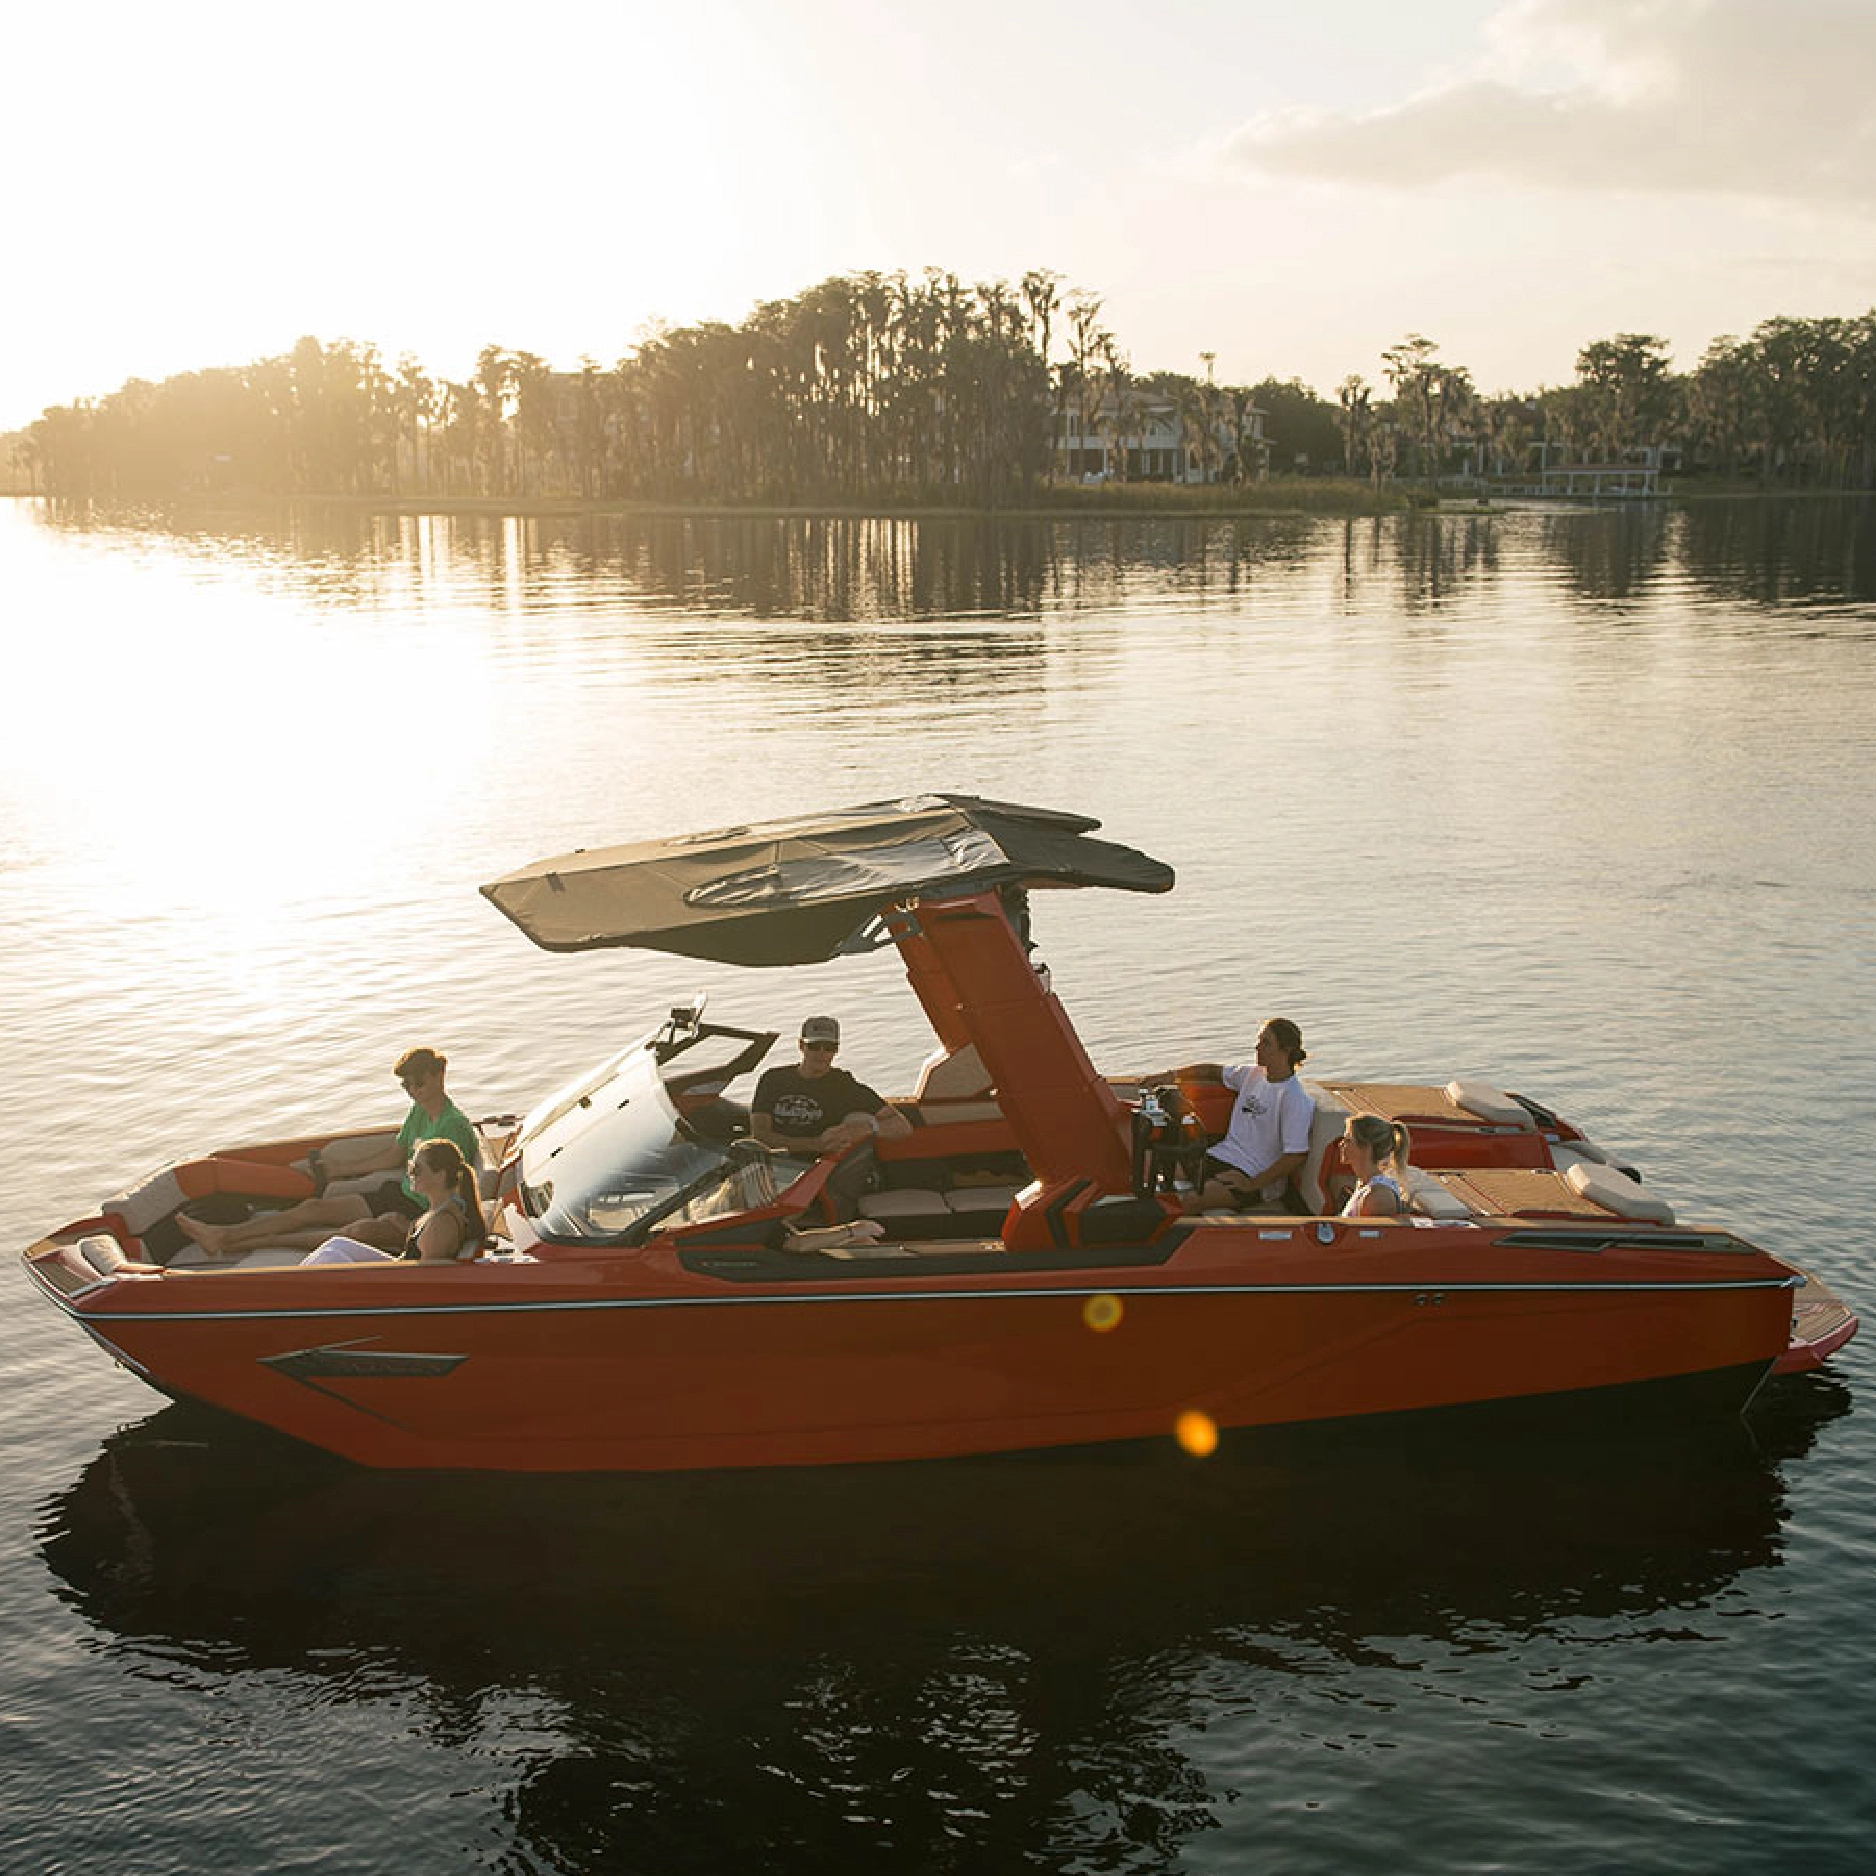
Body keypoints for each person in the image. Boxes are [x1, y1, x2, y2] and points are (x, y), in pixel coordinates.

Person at [176, 1045, 480, 1259]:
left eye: (418, 1082)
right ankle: (225, 1234)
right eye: (406, 1086)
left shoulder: (454, 1128)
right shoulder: (419, 1112)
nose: (413, 1090)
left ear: (440, 1074)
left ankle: (230, 1243)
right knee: (312, 1209)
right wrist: (337, 1169)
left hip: (419, 1210)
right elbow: (392, 1156)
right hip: (398, 1195)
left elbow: (453, 1190)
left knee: (345, 1232)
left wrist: (417, 1222)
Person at [1159, 1018, 1315, 1214]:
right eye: (1259, 1040)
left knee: (1189, 1201)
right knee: (1154, 1166)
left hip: (1253, 1174)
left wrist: (1251, 1184)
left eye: (1266, 1043)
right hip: (1220, 1156)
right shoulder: (1252, 1075)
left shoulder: (1293, 1098)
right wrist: (1170, 1076)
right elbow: (1211, 1071)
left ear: (1286, 1050)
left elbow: (1296, 1156)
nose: (1257, 1047)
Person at [301, 1138, 488, 1265]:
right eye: (410, 1167)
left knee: (329, 1257)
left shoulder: (442, 1224)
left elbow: (427, 1280)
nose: (410, 1174)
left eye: (417, 1170)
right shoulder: (442, 1209)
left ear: (440, 1176)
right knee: (337, 1244)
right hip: (401, 1267)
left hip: (402, 1284)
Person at [750, 1017, 912, 1156]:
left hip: (817, 1171)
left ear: (837, 1050)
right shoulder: (773, 1079)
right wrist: (816, 1144)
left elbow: (902, 1127)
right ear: (801, 1046)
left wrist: (868, 1128)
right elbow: (760, 1134)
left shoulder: (844, 1085)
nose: (821, 1053)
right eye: (814, 1046)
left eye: (829, 1047)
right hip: (775, 1163)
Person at [1341, 1114, 1410, 1217]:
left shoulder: (1378, 1197)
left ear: (1366, 1148)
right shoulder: (1364, 1184)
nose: (1341, 1144)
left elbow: (1366, 1232)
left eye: (1348, 1140)